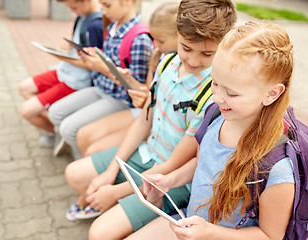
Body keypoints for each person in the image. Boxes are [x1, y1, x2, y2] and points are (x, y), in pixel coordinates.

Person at [64, 0, 237, 239]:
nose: (194, 61)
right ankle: (127, 208)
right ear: (177, 34)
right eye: (186, 48)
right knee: (74, 174)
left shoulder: (213, 93)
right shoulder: (166, 62)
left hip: (171, 179)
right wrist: (111, 171)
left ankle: (129, 210)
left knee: (99, 233)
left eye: (207, 54)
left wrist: (115, 191)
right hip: (147, 154)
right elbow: (144, 121)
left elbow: (177, 163)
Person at [126, 21, 296, 240]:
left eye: (232, 93)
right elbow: (206, 162)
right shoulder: (216, 114)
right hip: (192, 227)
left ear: (272, 94)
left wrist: (209, 233)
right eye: (215, 83)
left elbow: (269, 235)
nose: (217, 97)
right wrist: (171, 180)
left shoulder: (278, 167)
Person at [48, 0, 153, 159]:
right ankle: (82, 158)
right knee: (55, 113)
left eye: (108, 6)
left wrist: (101, 67)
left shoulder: (140, 40)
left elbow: (136, 90)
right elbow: (110, 62)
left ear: (127, 2)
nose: (103, 11)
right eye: (102, 6)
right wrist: (96, 58)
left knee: (69, 129)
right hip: (101, 88)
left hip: (120, 99)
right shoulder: (112, 27)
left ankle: (85, 162)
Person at [76, 2, 179, 157]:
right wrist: (128, 79)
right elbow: (145, 94)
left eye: (161, 41)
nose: (155, 45)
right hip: (144, 113)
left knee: (92, 148)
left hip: (152, 119)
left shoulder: (143, 42)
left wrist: (106, 70)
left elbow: (149, 105)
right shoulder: (158, 54)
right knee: (84, 135)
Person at [18, 0, 103, 147]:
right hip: (64, 71)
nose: (73, 11)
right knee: (24, 88)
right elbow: (78, 43)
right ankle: (57, 127)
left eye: (74, 7)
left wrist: (62, 57)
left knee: (27, 110)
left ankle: (58, 129)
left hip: (76, 80)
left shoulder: (97, 24)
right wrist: (68, 45)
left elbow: (94, 64)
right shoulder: (82, 16)